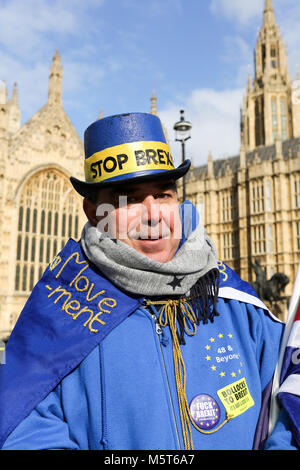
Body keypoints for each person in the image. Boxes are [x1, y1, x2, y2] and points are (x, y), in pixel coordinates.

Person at [0, 113, 296, 450]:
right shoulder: (60, 312)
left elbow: (291, 406)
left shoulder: (239, 305)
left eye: (164, 194)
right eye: (130, 198)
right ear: (94, 211)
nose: (153, 214)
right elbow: (23, 428)